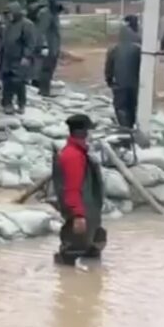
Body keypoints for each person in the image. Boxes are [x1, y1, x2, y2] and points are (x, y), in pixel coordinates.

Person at [52, 114, 106, 266]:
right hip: (81, 215)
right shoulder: (72, 156)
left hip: (88, 214)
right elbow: (72, 188)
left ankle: (86, 285)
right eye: (90, 131)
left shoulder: (79, 152)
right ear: (83, 133)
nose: (91, 135)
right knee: (71, 253)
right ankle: (68, 285)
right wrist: (78, 215)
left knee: (94, 247)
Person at [0, 1, 36, 115]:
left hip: (20, 58)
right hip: (7, 58)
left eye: (10, 13)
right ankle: (7, 103)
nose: (8, 16)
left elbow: (30, 42)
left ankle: (21, 104)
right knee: (7, 82)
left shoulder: (27, 25)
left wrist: (26, 56)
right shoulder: (7, 24)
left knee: (19, 83)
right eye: (6, 14)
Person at [105, 24, 141, 129]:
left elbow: (109, 67)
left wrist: (109, 80)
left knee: (120, 107)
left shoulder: (113, 49)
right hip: (134, 84)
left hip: (119, 84)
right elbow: (141, 67)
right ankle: (131, 125)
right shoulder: (137, 50)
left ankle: (124, 128)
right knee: (132, 106)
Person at [36, 0, 64, 97]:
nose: (60, 4)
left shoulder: (54, 13)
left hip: (55, 47)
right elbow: (41, 31)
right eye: (59, 1)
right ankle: (43, 91)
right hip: (49, 47)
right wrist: (44, 46)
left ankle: (46, 90)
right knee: (46, 69)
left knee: (50, 69)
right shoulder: (46, 13)